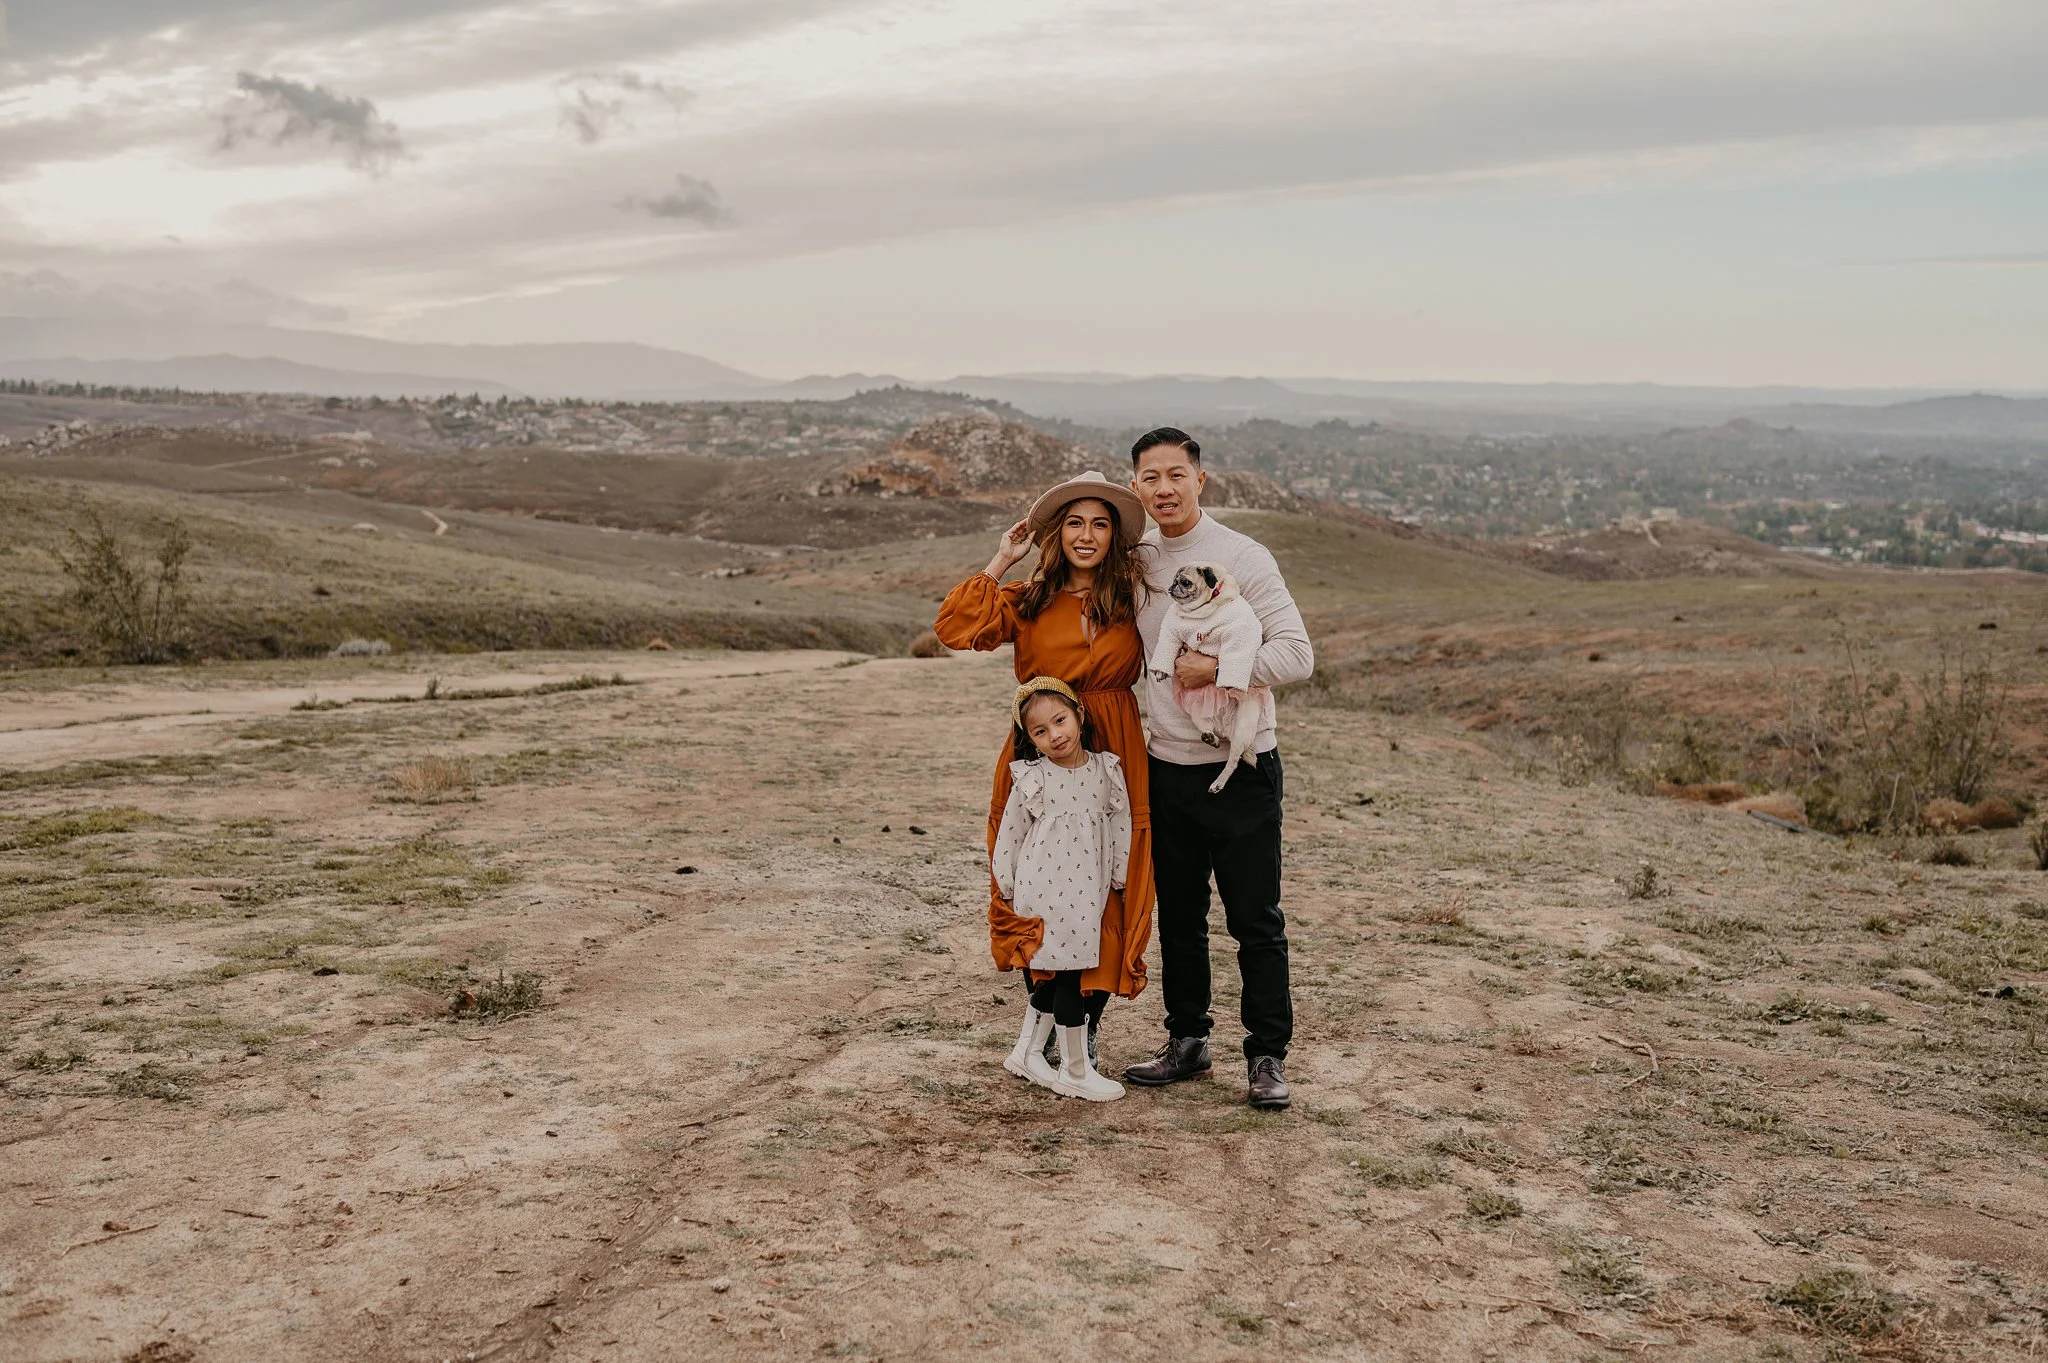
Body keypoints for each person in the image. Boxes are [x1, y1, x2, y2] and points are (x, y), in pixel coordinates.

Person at [934, 473, 1156, 1064]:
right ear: (1058, 533)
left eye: (1101, 524)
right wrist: (1003, 558)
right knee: (1038, 879)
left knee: (1113, 878)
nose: (1087, 536)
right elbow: (956, 628)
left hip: (1116, 744)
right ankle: (1046, 1015)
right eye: (1076, 523)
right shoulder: (1029, 599)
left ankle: (1085, 1023)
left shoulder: (1133, 597)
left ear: (1114, 537)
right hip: (1040, 752)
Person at [1122, 428, 1314, 1110]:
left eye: (1177, 474)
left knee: (1255, 919)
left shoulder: (1243, 556)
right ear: (1137, 485)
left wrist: (1219, 669)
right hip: (1166, 766)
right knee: (1178, 916)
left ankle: (1266, 1057)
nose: (1165, 488)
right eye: (1151, 477)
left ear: (1201, 480)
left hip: (1242, 771)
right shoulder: (1138, 559)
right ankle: (1187, 1041)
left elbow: (1296, 654)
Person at [991, 678, 1132, 1101]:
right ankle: (1074, 1071)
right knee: (1069, 976)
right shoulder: (1033, 779)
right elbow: (1011, 833)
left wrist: (1121, 876)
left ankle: (1026, 1052)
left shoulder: (1106, 770)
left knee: (1055, 978)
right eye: (1040, 731)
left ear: (1079, 716)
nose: (1055, 735)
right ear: (1031, 740)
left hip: (1087, 891)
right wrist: (1008, 885)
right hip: (1044, 889)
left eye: (1060, 720)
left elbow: (1121, 823)